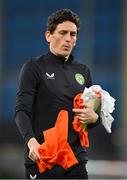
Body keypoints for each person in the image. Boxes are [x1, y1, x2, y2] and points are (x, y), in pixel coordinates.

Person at [15, 9, 99, 179]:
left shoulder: (83, 71)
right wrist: (31, 143)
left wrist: (94, 117)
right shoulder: (34, 67)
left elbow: (88, 119)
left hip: (75, 160)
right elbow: (21, 111)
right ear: (48, 35)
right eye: (63, 33)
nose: (68, 39)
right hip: (43, 158)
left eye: (73, 34)